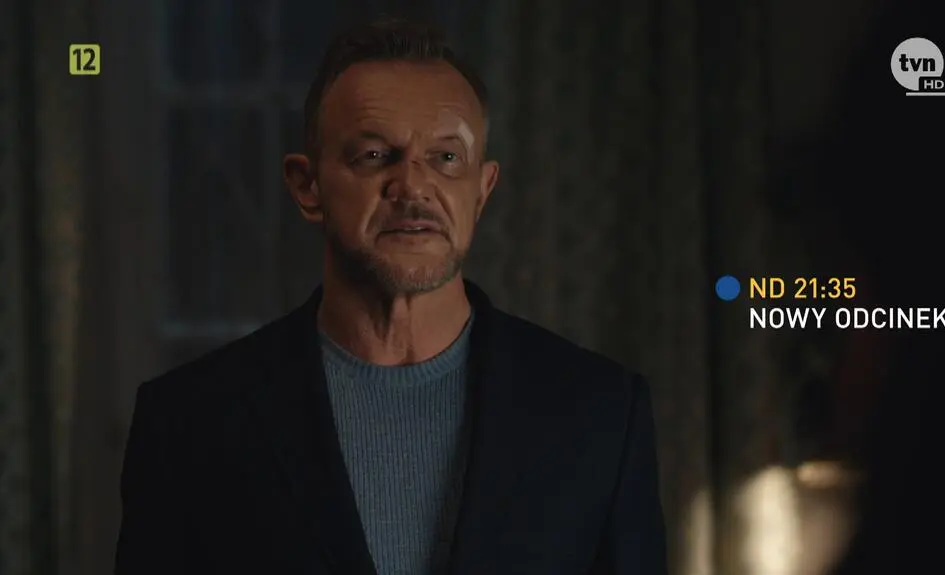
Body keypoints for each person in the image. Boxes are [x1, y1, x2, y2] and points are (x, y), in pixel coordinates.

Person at [114, 16, 667, 575]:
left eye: (446, 157)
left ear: (481, 191)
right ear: (307, 186)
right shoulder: (189, 422)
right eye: (375, 155)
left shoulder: (601, 413)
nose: (414, 186)